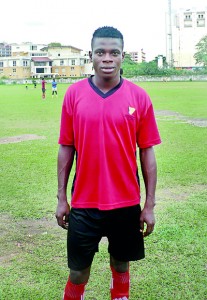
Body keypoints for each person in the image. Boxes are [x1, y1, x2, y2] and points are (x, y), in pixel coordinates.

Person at [56, 26, 161, 300]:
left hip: (125, 203)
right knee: (78, 271)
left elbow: (147, 153)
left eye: (114, 52)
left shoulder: (139, 97)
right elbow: (66, 147)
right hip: (83, 203)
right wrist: (61, 198)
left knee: (120, 263)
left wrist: (149, 205)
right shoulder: (74, 95)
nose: (107, 58)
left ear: (122, 56)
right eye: (101, 52)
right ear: (91, 55)